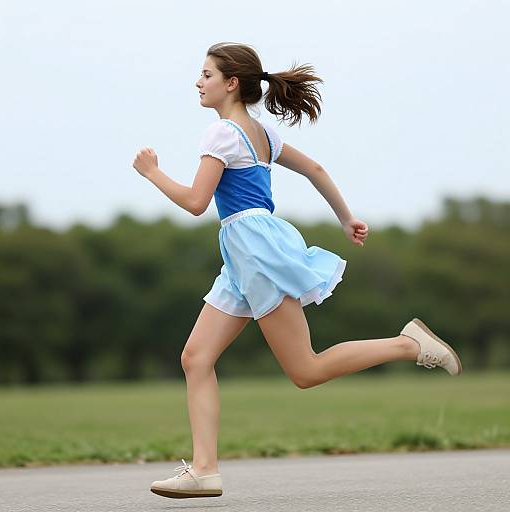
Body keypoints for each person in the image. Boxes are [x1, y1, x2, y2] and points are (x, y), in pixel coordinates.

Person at [132, 42, 463, 500]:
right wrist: (346, 218)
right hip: (245, 254)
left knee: (305, 369)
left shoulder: (222, 133)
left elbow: (195, 202)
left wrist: (152, 172)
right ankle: (205, 470)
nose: (198, 82)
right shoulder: (261, 133)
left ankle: (409, 345)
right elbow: (315, 168)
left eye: (206, 74)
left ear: (231, 83)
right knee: (196, 357)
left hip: (255, 252)